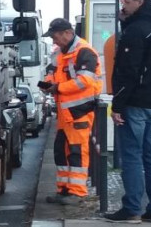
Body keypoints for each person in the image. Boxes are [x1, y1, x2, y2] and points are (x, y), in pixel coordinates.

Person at [105, 0, 151, 223]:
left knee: (131, 155)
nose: (123, 5)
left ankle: (132, 209)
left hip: (135, 102)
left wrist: (118, 106)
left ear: (139, 1)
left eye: (127, 2)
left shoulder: (136, 31)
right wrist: (125, 23)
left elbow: (128, 70)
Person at [41, 18, 104, 205]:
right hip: (65, 113)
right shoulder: (61, 53)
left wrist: (58, 87)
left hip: (79, 112)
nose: (53, 41)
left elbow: (85, 81)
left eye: (55, 37)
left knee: (77, 151)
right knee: (61, 151)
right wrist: (48, 83)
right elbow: (51, 70)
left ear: (68, 33)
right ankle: (64, 190)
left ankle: (77, 192)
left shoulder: (84, 52)